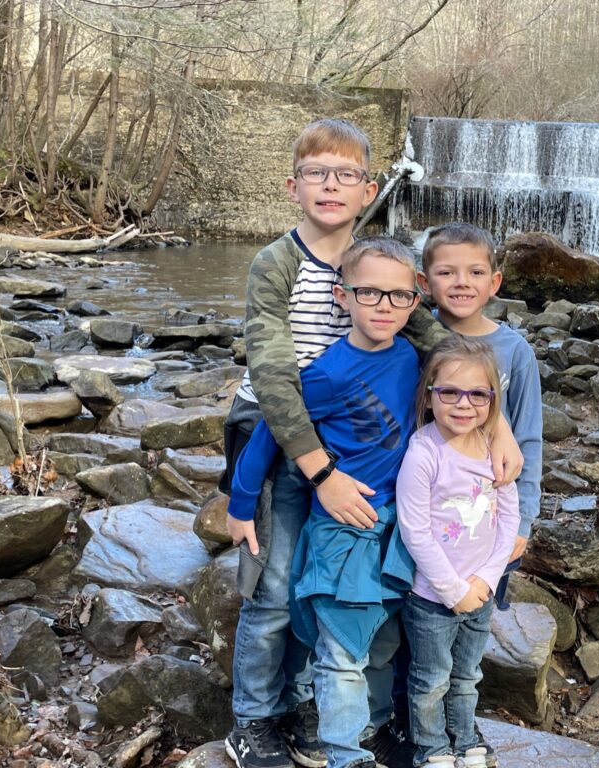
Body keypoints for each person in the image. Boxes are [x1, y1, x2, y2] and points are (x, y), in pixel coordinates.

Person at [221, 119, 520, 768]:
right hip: (281, 442)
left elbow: (440, 358)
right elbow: (277, 386)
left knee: (346, 595)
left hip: (355, 456)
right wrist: (316, 475)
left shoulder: (377, 265)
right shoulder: (276, 264)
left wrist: (496, 426)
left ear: (370, 189)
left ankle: (320, 717)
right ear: (292, 185)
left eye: (347, 175)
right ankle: (253, 722)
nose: (331, 186)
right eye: (317, 174)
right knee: (275, 590)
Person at [228, 238, 422, 768]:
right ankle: (334, 746)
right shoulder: (327, 372)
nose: (384, 305)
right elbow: (271, 432)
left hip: (392, 522)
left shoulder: (410, 354)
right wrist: (241, 504)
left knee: (382, 631)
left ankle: (370, 727)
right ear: (342, 297)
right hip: (340, 525)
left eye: (397, 295)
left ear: (415, 300)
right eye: (369, 293)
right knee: (330, 632)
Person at [395, 336, 520, 768]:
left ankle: (465, 738)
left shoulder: (493, 449)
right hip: (432, 598)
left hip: (481, 593)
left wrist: (486, 579)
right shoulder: (424, 452)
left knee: (467, 675)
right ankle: (432, 748)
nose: (463, 404)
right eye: (449, 392)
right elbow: (414, 529)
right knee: (430, 679)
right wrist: (452, 589)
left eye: (477, 394)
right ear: (429, 397)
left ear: (492, 400)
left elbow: (508, 519)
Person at [418, 223, 542, 610]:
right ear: (424, 282)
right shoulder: (411, 338)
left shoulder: (514, 351)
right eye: (446, 272)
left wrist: (523, 518)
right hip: (427, 509)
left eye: (475, 272)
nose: (461, 283)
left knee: (477, 613)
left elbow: (529, 436)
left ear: (495, 282)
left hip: (489, 516)